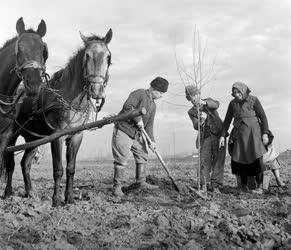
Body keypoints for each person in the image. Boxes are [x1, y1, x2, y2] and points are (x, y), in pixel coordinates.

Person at [112, 76, 169, 197]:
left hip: (137, 134)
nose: (160, 96)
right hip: (124, 129)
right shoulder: (139, 93)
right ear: (154, 88)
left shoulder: (153, 106)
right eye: (160, 93)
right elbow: (128, 106)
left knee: (142, 154)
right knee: (121, 158)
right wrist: (138, 119)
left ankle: (141, 182)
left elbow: (149, 126)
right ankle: (117, 187)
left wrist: (151, 142)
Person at [219, 82, 269, 193]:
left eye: (238, 91)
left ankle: (260, 187)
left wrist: (265, 133)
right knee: (239, 161)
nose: (236, 94)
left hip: (253, 136)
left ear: (244, 90)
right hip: (239, 136)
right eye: (234, 92)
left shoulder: (254, 100)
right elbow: (227, 121)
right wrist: (222, 136)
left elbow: (263, 117)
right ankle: (243, 186)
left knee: (257, 160)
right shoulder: (232, 104)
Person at [186, 85, 226, 193]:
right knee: (204, 160)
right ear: (189, 99)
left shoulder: (208, 102)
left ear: (199, 94)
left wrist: (205, 103)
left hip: (219, 135)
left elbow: (217, 104)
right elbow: (195, 125)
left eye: (195, 95)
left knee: (219, 160)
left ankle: (216, 185)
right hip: (205, 136)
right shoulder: (191, 111)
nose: (194, 98)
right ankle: (204, 185)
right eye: (191, 97)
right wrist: (201, 121)